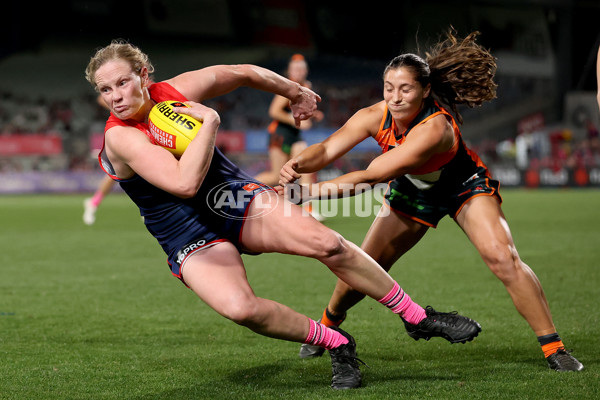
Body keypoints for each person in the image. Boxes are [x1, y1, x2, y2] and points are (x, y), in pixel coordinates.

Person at [84, 40, 482, 390]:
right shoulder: (120, 136)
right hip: (185, 231)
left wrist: (295, 91)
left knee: (327, 243)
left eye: (122, 82)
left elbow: (239, 73)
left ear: (143, 74)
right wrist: (209, 121)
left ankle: (416, 318)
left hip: (233, 198)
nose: (116, 96)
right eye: (105, 89)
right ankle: (337, 343)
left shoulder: (173, 91)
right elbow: (185, 184)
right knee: (242, 309)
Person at [278, 29, 583, 372]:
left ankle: (553, 348)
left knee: (503, 257)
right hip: (412, 191)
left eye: (405, 89)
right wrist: (299, 164)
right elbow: (327, 149)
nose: (395, 98)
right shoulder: (373, 115)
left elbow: (371, 176)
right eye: (389, 88)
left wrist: (309, 191)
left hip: (463, 186)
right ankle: (327, 326)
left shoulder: (435, 128)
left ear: (424, 90)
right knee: (358, 274)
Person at [254, 54, 325, 221]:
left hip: (294, 135)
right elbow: (274, 111)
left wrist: (313, 115)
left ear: (306, 70)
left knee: (305, 166)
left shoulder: (306, 86)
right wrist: (294, 122)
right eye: (295, 68)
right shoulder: (289, 86)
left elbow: (296, 110)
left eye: (301, 68)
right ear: (290, 71)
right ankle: (241, 189)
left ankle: (308, 208)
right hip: (280, 134)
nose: (298, 71)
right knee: (275, 176)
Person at [83, 94, 116, 225]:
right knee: (115, 174)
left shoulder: (150, 89)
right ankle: (93, 202)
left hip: (142, 135)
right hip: (122, 135)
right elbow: (101, 99)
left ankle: (93, 202)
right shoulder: (128, 90)